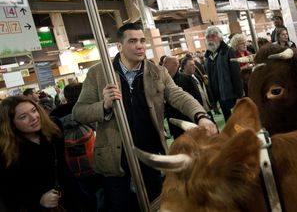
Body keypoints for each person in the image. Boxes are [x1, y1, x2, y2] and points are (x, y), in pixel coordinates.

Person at [72, 22, 217, 211]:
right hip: (116, 160)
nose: (140, 45)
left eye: (142, 41)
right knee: (121, 206)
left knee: (157, 204)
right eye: (132, 41)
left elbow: (178, 95)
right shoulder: (98, 74)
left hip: (150, 156)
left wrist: (201, 116)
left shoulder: (157, 72)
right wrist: (104, 105)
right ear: (119, 46)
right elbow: (79, 112)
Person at [0, 95, 81, 212]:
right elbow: (8, 190)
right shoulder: (6, 150)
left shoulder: (54, 128)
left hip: (68, 199)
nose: (33, 117)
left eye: (33, 110)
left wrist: (78, 196)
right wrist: (38, 199)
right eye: (23, 117)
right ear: (11, 124)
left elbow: (62, 167)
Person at [50, 82, 104, 212]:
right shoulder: (93, 111)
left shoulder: (54, 118)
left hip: (71, 172)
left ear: (66, 98)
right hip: (97, 166)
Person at [163, 56, 212, 139]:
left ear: (175, 65)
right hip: (175, 124)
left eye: (165, 64)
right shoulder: (163, 81)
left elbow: (197, 99)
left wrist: (199, 115)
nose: (163, 66)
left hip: (189, 120)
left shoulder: (187, 79)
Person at [204, 26, 243, 121]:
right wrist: (213, 101)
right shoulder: (208, 57)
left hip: (231, 95)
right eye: (208, 37)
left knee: (239, 121)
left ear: (220, 38)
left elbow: (236, 75)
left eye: (213, 36)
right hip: (220, 97)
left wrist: (239, 96)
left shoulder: (229, 51)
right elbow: (210, 79)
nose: (210, 39)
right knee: (229, 122)